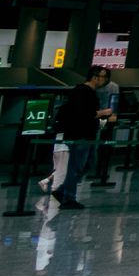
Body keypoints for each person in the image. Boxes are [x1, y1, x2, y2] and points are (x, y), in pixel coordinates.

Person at [48, 67, 112, 210]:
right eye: (104, 77)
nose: (105, 80)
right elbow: (83, 113)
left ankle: (62, 191)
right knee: (76, 166)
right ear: (95, 77)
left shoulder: (88, 92)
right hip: (79, 134)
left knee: (87, 164)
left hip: (86, 134)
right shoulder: (82, 92)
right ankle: (68, 198)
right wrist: (102, 113)